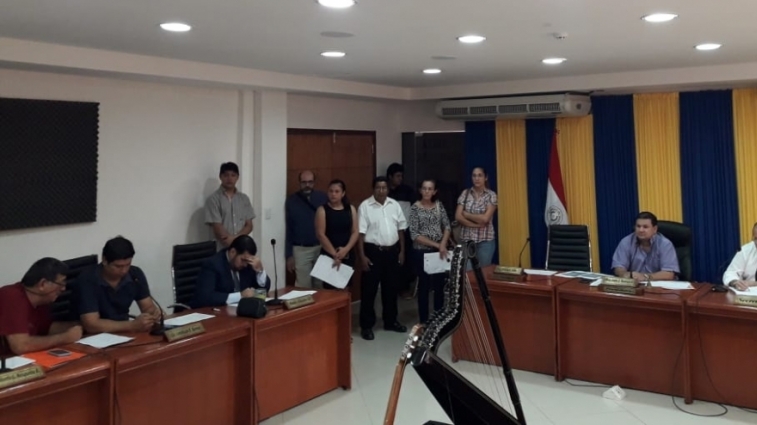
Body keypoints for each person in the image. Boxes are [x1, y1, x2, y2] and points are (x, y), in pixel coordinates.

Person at [357, 176, 408, 340]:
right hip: (373, 251)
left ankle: (390, 321)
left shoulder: (394, 205)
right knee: (369, 290)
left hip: (392, 251)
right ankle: (366, 325)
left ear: (388, 189)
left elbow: (401, 229)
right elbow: (360, 234)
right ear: (373, 189)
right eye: (378, 188)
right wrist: (362, 256)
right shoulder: (365, 206)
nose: (381, 191)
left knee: (391, 288)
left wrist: (402, 251)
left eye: (384, 188)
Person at [76, 236, 161, 334]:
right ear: (104, 260)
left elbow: (147, 307)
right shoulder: (87, 279)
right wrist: (132, 325)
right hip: (92, 336)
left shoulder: (135, 274)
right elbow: (91, 325)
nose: (124, 271)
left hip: (123, 333)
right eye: (118, 266)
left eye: (128, 264)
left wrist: (153, 316)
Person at [0, 258, 83, 355]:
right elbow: (20, 346)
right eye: (61, 283)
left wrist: (79, 325)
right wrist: (64, 338)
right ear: (42, 284)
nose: (63, 289)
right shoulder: (11, 296)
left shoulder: (42, 301)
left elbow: (47, 329)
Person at [409, 179, 451, 324]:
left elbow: (447, 226)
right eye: (424, 188)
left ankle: (438, 318)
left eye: (430, 189)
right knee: (424, 286)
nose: (427, 191)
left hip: (439, 252)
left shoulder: (439, 205)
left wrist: (443, 244)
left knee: (439, 286)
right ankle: (424, 321)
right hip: (422, 252)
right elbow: (414, 234)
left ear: (434, 191)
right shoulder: (415, 208)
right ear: (420, 190)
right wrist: (436, 244)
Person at [191, 235, 271, 308]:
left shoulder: (247, 265)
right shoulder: (213, 264)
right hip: (215, 313)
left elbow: (263, 292)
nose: (245, 265)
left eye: (248, 261)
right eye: (243, 260)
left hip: (240, 311)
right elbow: (205, 297)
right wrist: (240, 296)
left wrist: (260, 271)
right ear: (233, 252)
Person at [286, 170, 328, 288]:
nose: (307, 185)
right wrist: (289, 255)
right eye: (304, 182)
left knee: (320, 285)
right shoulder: (292, 200)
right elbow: (289, 228)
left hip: (320, 248)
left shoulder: (323, 197)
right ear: (299, 183)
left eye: (310, 182)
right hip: (300, 249)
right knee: (303, 286)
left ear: (314, 183)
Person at [611, 211, 679, 283]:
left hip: (658, 286)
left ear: (654, 229)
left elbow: (669, 274)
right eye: (638, 226)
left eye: (645, 227)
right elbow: (618, 266)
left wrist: (645, 277)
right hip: (635, 285)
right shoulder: (626, 242)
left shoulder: (665, 244)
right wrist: (625, 274)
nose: (641, 230)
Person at [315, 179, 359, 289]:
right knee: (330, 290)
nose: (333, 194)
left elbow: (355, 231)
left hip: (347, 253)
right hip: (329, 255)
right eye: (331, 191)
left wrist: (346, 250)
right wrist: (335, 255)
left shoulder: (350, 209)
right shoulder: (322, 210)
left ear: (343, 193)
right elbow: (321, 235)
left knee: (346, 288)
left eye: (337, 191)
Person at [205, 162, 256, 249]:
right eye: (226, 175)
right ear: (220, 177)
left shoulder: (244, 198)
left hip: (242, 247)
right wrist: (231, 242)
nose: (229, 178)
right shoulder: (213, 199)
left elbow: (249, 226)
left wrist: (235, 240)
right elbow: (217, 227)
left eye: (233, 175)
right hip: (222, 247)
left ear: (237, 177)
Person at [454, 167, 498, 267]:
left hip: (485, 241)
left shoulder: (491, 195)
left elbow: (485, 219)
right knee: (468, 272)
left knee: (482, 272)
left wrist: (466, 214)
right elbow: (458, 216)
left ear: (485, 178)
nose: (477, 178)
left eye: (480, 175)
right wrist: (476, 225)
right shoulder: (465, 193)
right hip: (466, 240)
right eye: (474, 176)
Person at [387, 163, 416, 298]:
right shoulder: (385, 191)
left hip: (405, 230)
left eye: (401, 176)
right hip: (388, 231)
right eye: (397, 176)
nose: (400, 179)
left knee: (405, 259)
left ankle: (405, 288)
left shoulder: (407, 191)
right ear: (390, 176)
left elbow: (414, 209)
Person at [723, 222, 757, 290]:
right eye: (756, 238)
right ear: (753, 238)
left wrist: (753, 283)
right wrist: (735, 282)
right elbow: (730, 273)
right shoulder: (745, 250)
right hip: (749, 294)